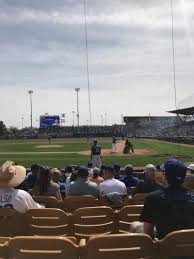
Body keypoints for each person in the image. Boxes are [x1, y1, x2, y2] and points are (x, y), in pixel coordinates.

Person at [139, 159, 194, 239]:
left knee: (136, 225)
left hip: (163, 249)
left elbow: (147, 234)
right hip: (190, 248)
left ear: (165, 176)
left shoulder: (153, 198)